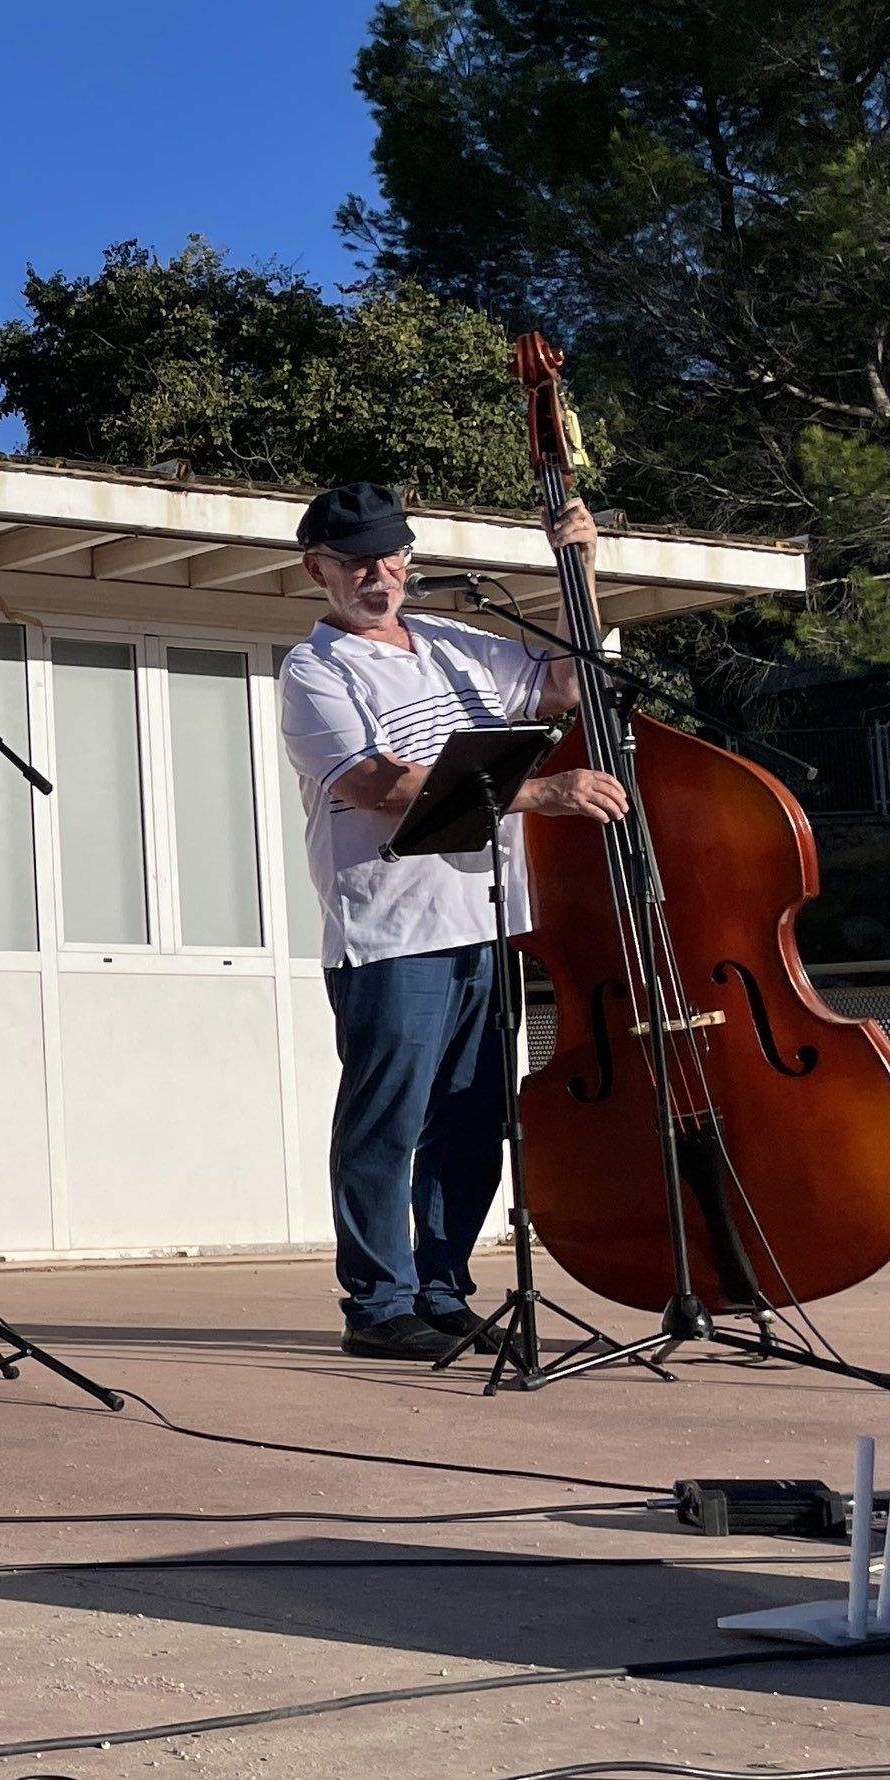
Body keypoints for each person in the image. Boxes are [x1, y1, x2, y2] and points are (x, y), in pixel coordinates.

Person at [277, 481, 628, 1360]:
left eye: (390, 555)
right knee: (386, 1121)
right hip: (393, 930)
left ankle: (441, 1290)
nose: (378, 573)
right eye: (356, 560)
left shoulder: (451, 642)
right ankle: (376, 1304)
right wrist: (542, 791)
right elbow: (376, 784)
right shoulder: (315, 671)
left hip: (488, 918)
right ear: (317, 569)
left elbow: (562, 685)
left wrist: (579, 566)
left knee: (473, 1119)